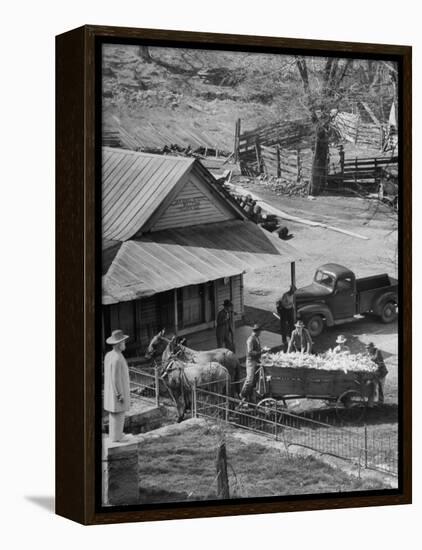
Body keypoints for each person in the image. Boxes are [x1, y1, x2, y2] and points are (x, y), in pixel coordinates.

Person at [104, 329, 131, 442]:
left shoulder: (109, 355)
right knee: (119, 414)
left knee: (114, 415)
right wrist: (119, 394)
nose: (125, 344)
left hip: (111, 393)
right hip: (118, 393)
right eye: (123, 342)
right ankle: (116, 437)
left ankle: (115, 435)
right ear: (119, 344)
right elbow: (115, 379)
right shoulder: (117, 358)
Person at [239, 324, 262, 401]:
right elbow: (250, 352)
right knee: (249, 379)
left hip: (256, 360)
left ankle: (251, 394)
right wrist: (260, 352)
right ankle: (242, 394)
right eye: (260, 331)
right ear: (257, 331)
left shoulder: (257, 338)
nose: (260, 333)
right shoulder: (250, 339)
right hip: (251, 361)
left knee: (256, 378)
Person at [275, 285, 296, 352]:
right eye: (292, 291)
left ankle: (291, 337)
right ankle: (284, 340)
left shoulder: (292, 295)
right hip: (284, 311)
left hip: (290, 310)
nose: (293, 293)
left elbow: (292, 303)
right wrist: (289, 304)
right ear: (290, 290)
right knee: (283, 325)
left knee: (291, 324)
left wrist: (291, 306)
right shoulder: (285, 295)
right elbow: (284, 304)